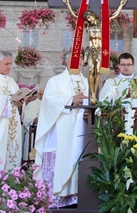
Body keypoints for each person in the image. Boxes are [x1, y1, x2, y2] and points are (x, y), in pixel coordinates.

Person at [34, 64, 88, 207]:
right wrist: (70, 100)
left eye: (81, 60)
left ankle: (75, 196)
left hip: (81, 127)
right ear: (66, 62)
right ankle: (56, 197)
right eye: (75, 59)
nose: (78, 63)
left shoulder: (86, 81)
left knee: (78, 156)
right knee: (62, 158)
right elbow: (49, 101)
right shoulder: (55, 81)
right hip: (60, 130)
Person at [62, 0, 128, 104]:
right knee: (91, 70)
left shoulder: (102, 24)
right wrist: (68, 4)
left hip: (99, 51)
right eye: (87, 18)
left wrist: (121, 5)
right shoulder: (88, 26)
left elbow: (114, 16)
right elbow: (75, 16)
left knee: (97, 72)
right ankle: (92, 93)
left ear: (93, 16)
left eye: (89, 17)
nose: (88, 19)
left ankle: (94, 93)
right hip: (90, 50)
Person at [22, 87, 43, 162]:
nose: (42, 96)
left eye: (43, 94)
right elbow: (27, 119)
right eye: (40, 94)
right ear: (37, 95)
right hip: (34, 133)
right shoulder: (32, 104)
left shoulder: (50, 104)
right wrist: (35, 120)